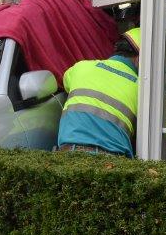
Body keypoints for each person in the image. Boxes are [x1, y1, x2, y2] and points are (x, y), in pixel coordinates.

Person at [56, 27, 141, 156]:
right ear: (140, 59)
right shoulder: (143, 89)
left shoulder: (81, 67)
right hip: (112, 162)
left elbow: (66, 84)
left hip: (69, 154)